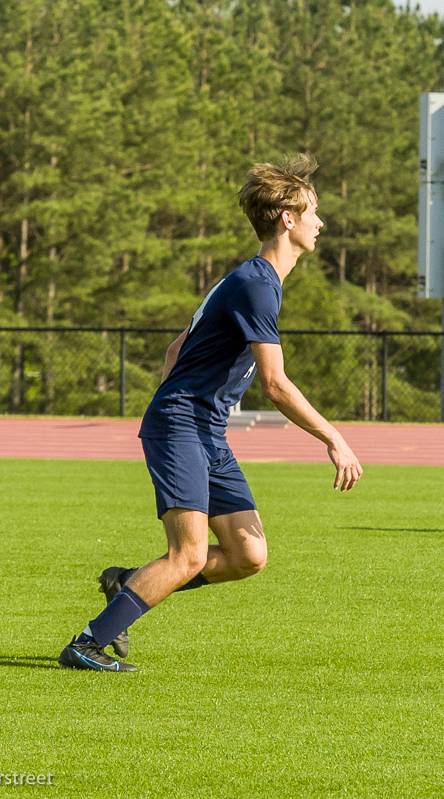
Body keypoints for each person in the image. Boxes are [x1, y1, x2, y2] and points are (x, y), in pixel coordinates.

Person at [59, 155, 363, 671]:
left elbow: (176, 349)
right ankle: (85, 643)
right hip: (184, 427)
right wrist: (333, 437)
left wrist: (190, 407)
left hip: (203, 431)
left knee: (248, 555)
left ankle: (128, 582)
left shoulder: (251, 280)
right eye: (312, 211)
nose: (320, 222)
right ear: (287, 219)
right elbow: (273, 382)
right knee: (190, 556)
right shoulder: (257, 284)